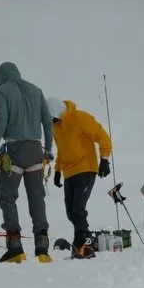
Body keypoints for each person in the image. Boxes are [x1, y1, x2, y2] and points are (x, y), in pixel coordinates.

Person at [0, 61, 55, 263]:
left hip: (13, 152)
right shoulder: (36, 91)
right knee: (37, 199)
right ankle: (42, 249)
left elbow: (1, 120)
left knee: (7, 197)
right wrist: (48, 149)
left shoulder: (1, 92)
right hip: (36, 151)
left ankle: (15, 248)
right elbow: (48, 123)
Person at [47, 97, 112, 259]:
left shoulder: (79, 117)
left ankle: (81, 243)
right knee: (71, 212)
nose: (49, 120)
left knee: (78, 208)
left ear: (56, 112)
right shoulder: (56, 127)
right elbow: (61, 150)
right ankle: (87, 241)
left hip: (86, 168)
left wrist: (104, 159)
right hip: (69, 172)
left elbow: (102, 135)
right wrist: (57, 170)